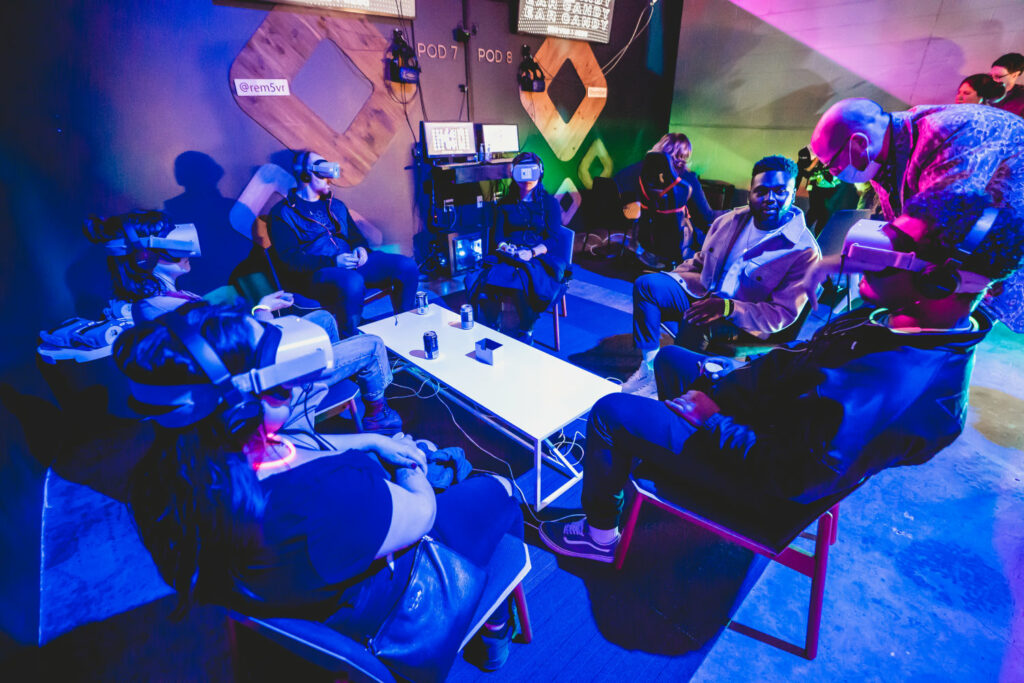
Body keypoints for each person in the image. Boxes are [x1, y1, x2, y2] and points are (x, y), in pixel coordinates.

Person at [539, 190, 1024, 563]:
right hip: (770, 426)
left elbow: (793, 477)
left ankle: (601, 534)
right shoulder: (895, 317)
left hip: (765, 484)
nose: (875, 244)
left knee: (608, 415)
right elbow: (794, 364)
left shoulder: (900, 388)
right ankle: (662, 463)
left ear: (941, 280)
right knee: (671, 361)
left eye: (902, 243)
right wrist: (721, 387)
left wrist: (712, 418)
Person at [119, 304, 525, 674]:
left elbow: (287, 453)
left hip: (313, 583)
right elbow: (423, 514)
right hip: (391, 591)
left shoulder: (162, 482)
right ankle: (494, 632)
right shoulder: (326, 496)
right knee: (501, 489)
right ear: (240, 403)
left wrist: (368, 441)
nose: (297, 385)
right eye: (279, 377)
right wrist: (409, 454)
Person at [86, 211, 402, 433]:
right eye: (173, 246)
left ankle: (334, 380)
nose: (187, 253)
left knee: (322, 319)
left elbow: (224, 341)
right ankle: (376, 413)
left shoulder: (167, 299)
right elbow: (231, 357)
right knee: (372, 345)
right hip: (262, 376)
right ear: (145, 257)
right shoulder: (160, 310)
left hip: (254, 356)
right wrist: (261, 318)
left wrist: (260, 310)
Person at [809, 97, 1024, 330]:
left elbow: (938, 232)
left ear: (859, 144)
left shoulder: (949, 134)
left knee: (949, 328)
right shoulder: (887, 152)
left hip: (1000, 252)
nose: (836, 173)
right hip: (974, 263)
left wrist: (844, 262)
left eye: (833, 166)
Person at [621, 156, 820, 395]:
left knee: (697, 320)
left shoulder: (804, 250)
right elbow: (700, 262)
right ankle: (651, 370)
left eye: (780, 191)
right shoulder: (728, 220)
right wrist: (674, 279)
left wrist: (727, 307)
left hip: (745, 318)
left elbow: (780, 316)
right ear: (751, 191)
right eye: (762, 191)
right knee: (648, 285)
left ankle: (672, 386)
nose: (770, 199)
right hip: (705, 292)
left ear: (793, 192)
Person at [268, 151, 421, 336]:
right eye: (321, 169)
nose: (329, 177)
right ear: (305, 173)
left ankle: (406, 331)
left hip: (351, 264)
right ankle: (352, 341)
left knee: (406, 266)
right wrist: (334, 262)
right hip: (317, 274)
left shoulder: (336, 205)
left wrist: (361, 250)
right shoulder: (282, 213)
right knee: (352, 281)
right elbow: (290, 260)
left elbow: (357, 238)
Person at [470, 152, 569, 342]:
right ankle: (493, 325)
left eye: (530, 172)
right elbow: (498, 236)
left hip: (538, 254)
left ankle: (526, 329)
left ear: (539, 172)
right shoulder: (504, 204)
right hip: (509, 253)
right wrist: (506, 248)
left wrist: (531, 252)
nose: (526, 179)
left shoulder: (549, 203)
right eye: (521, 172)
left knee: (522, 279)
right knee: (487, 278)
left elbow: (553, 238)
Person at [633, 133, 716, 267]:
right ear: (684, 154)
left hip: (649, 239)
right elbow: (705, 217)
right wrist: (730, 214)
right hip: (679, 243)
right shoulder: (687, 178)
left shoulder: (645, 175)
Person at [989, 52, 1024, 117]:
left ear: (1014, 75)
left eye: (998, 76)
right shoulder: (984, 89)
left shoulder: (1021, 100)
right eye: (991, 76)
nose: (993, 80)